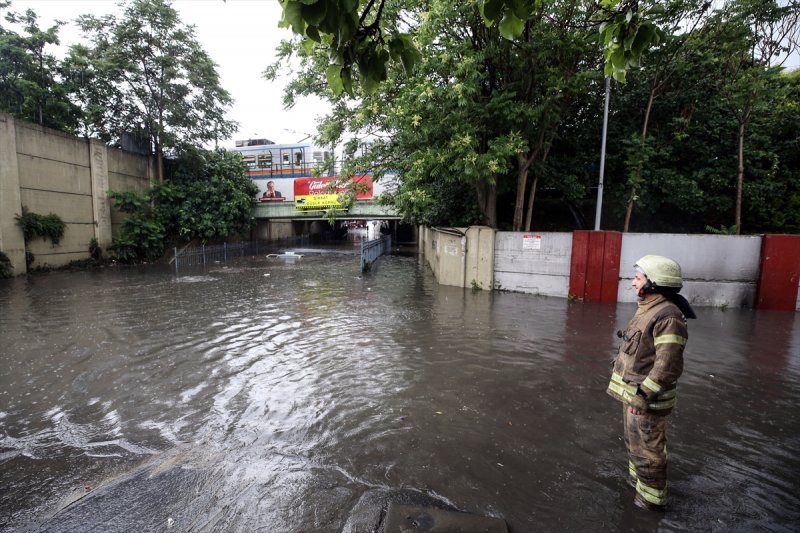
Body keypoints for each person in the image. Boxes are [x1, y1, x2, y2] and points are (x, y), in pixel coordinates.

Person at [606, 255, 696, 512]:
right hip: (635, 396)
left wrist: (644, 395)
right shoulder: (649, 307)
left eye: (638, 278)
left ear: (654, 283)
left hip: (645, 400)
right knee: (636, 446)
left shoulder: (668, 316)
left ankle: (650, 504)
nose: (633, 283)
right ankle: (638, 485)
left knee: (648, 451)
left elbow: (668, 365)